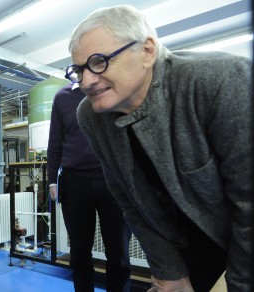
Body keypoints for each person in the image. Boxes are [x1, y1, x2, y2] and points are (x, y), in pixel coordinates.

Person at [64, 5, 252, 292]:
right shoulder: (91, 116)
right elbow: (130, 201)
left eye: (99, 61)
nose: (87, 81)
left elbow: (249, 201)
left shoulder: (222, 79)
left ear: (147, 50)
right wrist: (169, 271)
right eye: (79, 70)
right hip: (188, 249)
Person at [47, 83, 131, 291]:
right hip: (74, 183)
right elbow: (55, 142)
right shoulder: (62, 97)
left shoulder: (116, 89)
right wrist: (51, 180)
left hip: (113, 180)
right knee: (79, 254)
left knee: (118, 254)